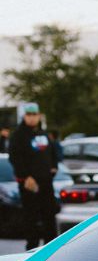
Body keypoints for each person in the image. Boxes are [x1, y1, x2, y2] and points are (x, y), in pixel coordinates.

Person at [8, 102, 59, 250]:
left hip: (46, 181)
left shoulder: (43, 134)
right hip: (29, 183)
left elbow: (52, 152)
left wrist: (54, 167)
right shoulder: (18, 135)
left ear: (39, 116)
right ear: (24, 116)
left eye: (34, 115)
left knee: (49, 215)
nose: (31, 118)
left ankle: (51, 248)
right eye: (28, 115)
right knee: (31, 217)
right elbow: (15, 157)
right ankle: (32, 249)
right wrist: (25, 176)